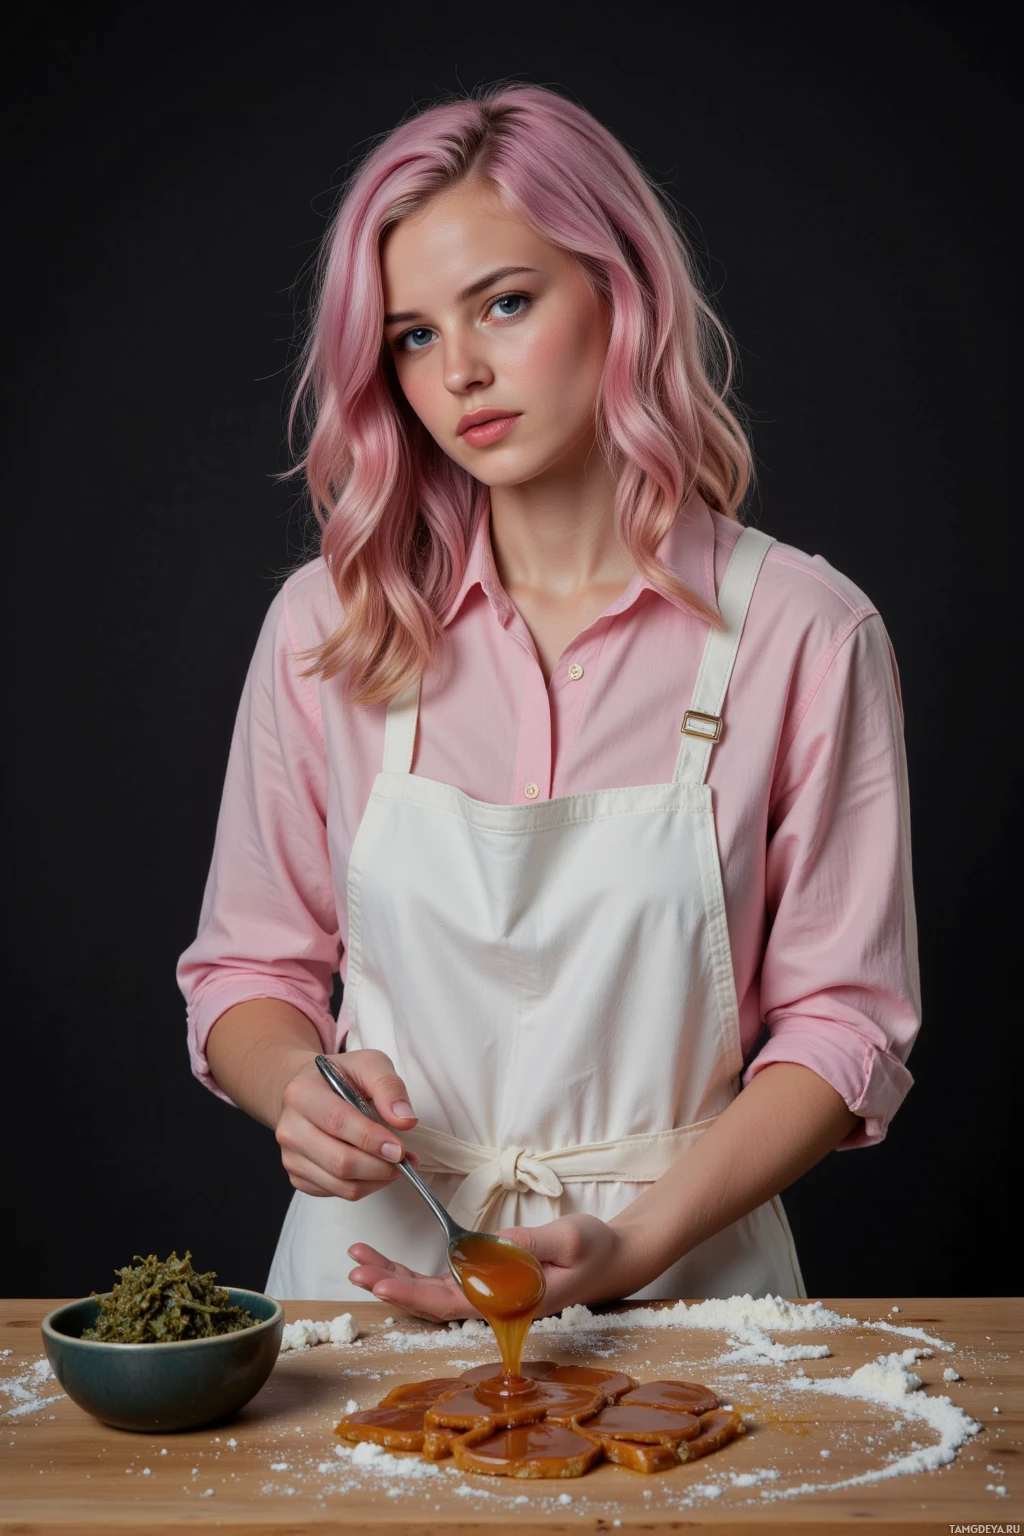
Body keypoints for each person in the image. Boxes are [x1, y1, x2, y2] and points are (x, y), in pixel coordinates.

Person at [176, 82, 921, 1318]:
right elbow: (247, 967)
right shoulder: (330, 624)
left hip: (684, 1298)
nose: (460, 370)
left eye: (505, 304)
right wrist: (299, 1087)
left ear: (618, 296)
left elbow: (844, 1027)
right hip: (367, 1290)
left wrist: (631, 1246)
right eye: (413, 335)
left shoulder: (803, 632)